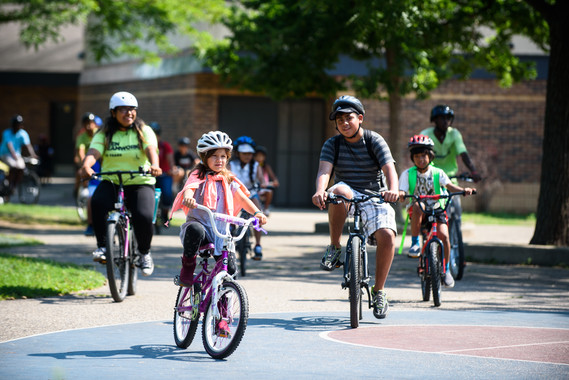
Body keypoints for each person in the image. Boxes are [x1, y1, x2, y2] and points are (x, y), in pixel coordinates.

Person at [311, 95, 399, 319]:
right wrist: (320, 191)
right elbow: (324, 172)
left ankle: (378, 291)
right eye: (339, 120)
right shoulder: (332, 144)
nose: (344, 123)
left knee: (388, 236)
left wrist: (393, 189)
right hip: (348, 190)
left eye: (349, 118)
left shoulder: (374, 140)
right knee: (337, 192)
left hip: (374, 194)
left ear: (360, 118)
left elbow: (389, 169)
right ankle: (334, 247)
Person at [170, 131, 267, 288]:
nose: (219, 160)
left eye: (223, 156)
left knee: (230, 270)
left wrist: (257, 212)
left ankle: (221, 298)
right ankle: (187, 268)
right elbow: (190, 187)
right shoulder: (198, 174)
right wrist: (189, 197)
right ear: (204, 157)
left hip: (221, 232)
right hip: (201, 227)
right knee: (194, 229)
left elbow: (242, 198)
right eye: (214, 156)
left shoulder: (228, 178)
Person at [79, 91, 162, 276]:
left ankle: (144, 253)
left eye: (132, 110)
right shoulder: (105, 132)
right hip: (112, 179)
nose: (128, 113)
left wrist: (155, 165)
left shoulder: (143, 130)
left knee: (143, 215)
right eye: (123, 110)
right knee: (98, 202)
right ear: (113, 112)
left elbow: (151, 149)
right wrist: (86, 165)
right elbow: (94, 151)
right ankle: (102, 247)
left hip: (140, 181)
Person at [398, 135, 476, 288]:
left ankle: (446, 270)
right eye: (417, 156)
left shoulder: (437, 172)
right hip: (418, 212)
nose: (421, 159)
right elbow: (402, 190)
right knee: (418, 205)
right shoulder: (408, 174)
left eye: (424, 156)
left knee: (444, 236)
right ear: (412, 158)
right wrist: (401, 194)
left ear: (430, 156)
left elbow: (450, 187)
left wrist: (463, 190)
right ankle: (415, 244)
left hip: (437, 208)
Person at [229, 136, 267, 260]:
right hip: (235, 194)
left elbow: (262, 179)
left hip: (251, 193)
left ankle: (258, 245)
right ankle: (228, 242)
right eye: (244, 153)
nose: (247, 156)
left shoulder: (256, 165)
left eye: (250, 153)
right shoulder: (231, 165)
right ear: (237, 153)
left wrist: (263, 184)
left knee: (258, 214)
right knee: (229, 216)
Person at [420, 105, 481, 182]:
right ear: (434, 120)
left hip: (450, 179)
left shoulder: (454, 134)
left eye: (448, 118)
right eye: (442, 118)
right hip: (430, 179)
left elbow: (463, 154)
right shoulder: (425, 135)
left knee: (455, 193)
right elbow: (419, 157)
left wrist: (473, 171)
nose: (446, 122)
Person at [74, 112, 102, 236]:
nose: (89, 126)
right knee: (91, 198)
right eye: (86, 124)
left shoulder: (100, 133)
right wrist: (85, 165)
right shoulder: (82, 136)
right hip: (91, 166)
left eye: (91, 123)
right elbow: (81, 152)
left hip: (103, 166)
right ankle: (91, 224)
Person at [0, 115, 38, 197]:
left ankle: (13, 187)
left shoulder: (23, 133)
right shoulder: (7, 133)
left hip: (16, 155)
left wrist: (33, 155)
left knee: (21, 167)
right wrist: (14, 155)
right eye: (17, 124)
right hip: (5, 154)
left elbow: (28, 145)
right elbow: (9, 145)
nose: (19, 126)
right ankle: (8, 184)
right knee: (13, 166)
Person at [149, 121, 175, 226]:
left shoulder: (165, 146)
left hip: (164, 174)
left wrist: (172, 169)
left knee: (168, 194)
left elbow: (170, 161)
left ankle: (165, 213)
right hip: (149, 174)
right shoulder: (144, 146)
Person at [254, 145, 279, 215]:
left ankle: (266, 208)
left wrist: (274, 182)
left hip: (263, 188)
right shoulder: (251, 166)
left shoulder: (266, 167)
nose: (259, 158)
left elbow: (274, 178)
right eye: (257, 156)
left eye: (261, 156)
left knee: (269, 192)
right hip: (253, 188)